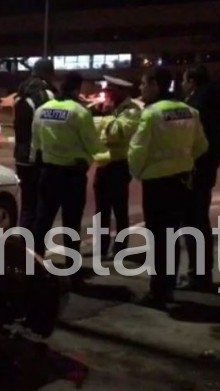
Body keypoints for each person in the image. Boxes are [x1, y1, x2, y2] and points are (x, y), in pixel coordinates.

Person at [129, 67, 209, 308]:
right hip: (181, 181)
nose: (141, 88)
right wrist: (184, 161)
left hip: (157, 184)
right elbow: (202, 146)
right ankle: (169, 286)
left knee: (158, 239)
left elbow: (137, 150)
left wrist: (138, 172)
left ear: (155, 85)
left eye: (144, 83)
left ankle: (159, 292)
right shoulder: (190, 111)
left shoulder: (151, 114)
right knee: (172, 236)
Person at [32, 71, 109, 270]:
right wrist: (107, 157)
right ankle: (72, 271)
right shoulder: (79, 112)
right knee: (72, 224)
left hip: (48, 173)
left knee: (42, 221)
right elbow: (93, 145)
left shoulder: (42, 110)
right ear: (77, 89)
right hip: (72, 176)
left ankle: (33, 267)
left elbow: (36, 145)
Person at [181, 65, 220, 290]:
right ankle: (200, 273)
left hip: (195, 171)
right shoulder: (214, 101)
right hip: (206, 169)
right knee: (199, 221)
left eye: (184, 80)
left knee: (193, 222)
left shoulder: (197, 105)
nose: (182, 85)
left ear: (192, 81)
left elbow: (192, 140)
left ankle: (198, 276)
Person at [93, 75, 142, 259]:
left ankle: (120, 248)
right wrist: (104, 120)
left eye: (110, 91)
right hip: (103, 164)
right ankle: (101, 247)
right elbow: (95, 132)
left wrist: (103, 120)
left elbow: (118, 132)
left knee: (119, 210)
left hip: (120, 165)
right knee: (101, 211)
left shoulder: (132, 110)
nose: (107, 94)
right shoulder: (111, 108)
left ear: (121, 91)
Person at [13, 59, 57, 230]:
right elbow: (49, 126)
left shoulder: (20, 93)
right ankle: (36, 243)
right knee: (41, 206)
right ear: (48, 74)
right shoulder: (46, 95)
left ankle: (23, 241)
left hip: (21, 156)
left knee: (27, 204)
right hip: (38, 157)